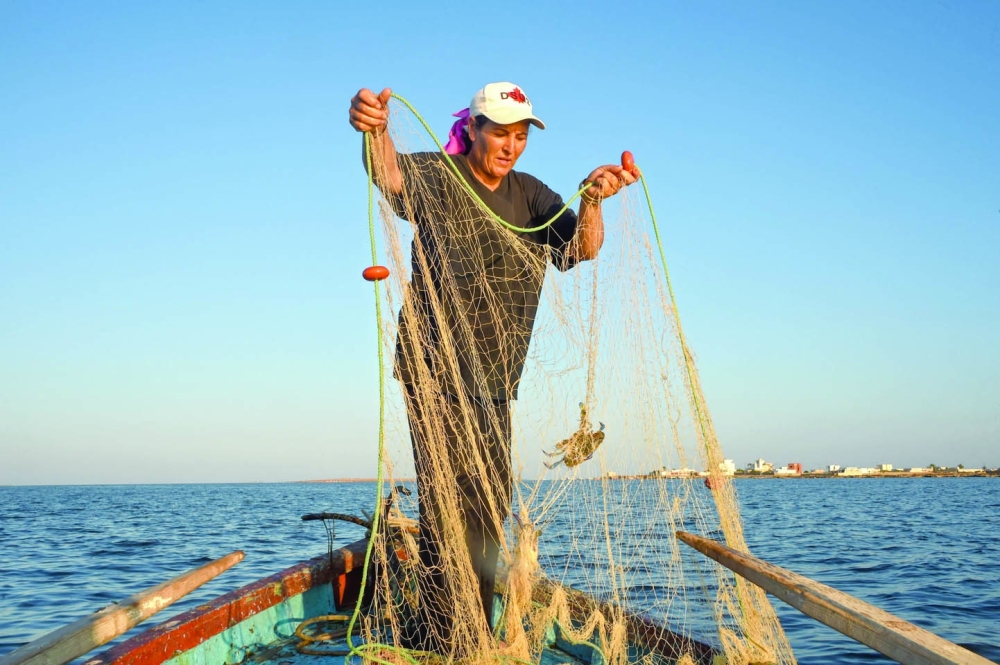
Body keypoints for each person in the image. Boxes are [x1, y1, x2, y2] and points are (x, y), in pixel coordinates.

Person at [348, 82, 638, 653]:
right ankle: (457, 636)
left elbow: (581, 248)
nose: (510, 145)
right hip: (434, 373)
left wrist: (594, 199)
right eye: (500, 131)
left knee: (487, 505)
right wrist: (374, 127)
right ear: (474, 129)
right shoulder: (441, 173)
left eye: (521, 134)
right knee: (449, 507)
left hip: (493, 383)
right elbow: (389, 176)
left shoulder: (532, 196)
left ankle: (452, 628)